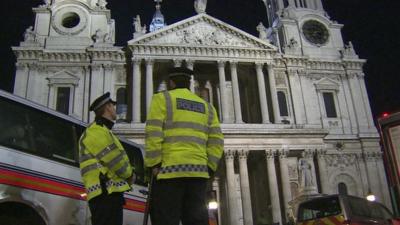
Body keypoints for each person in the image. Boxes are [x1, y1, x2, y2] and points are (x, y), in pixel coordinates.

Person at [145, 67, 224, 225]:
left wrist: (154, 163)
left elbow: (153, 133)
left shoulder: (162, 99)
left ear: (171, 83)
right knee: (196, 220)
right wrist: (209, 167)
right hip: (198, 174)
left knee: (166, 219)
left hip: (169, 172)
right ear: (189, 84)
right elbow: (217, 140)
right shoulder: (207, 107)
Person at [79, 92, 135, 225]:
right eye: (113, 106)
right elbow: (115, 160)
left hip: (107, 192)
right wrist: (130, 174)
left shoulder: (103, 131)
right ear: (108, 107)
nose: (115, 110)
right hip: (104, 192)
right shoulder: (96, 131)